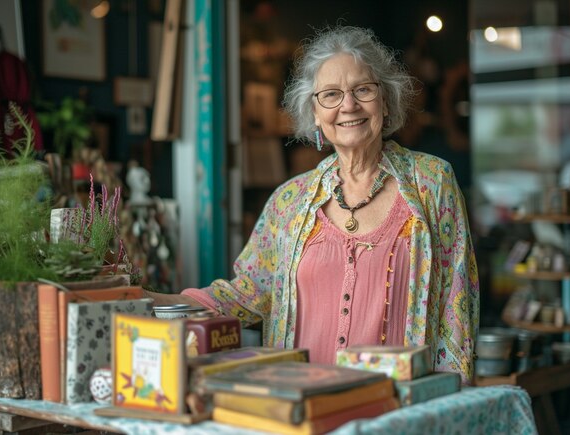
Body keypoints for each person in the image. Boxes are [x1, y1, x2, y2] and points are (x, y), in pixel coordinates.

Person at [146, 26, 479, 384]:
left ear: (385, 100)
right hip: (303, 405)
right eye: (331, 95)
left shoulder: (431, 182)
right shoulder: (288, 201)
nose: (348, 105)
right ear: (315, 114)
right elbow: (245, 294)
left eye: (363, 89)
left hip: (396, 410)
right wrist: (145, 299)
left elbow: (457, 304)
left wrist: (446, 401)